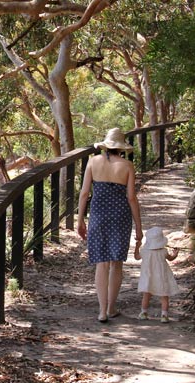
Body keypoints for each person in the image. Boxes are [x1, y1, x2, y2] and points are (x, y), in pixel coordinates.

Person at [77, 128, 143, 323]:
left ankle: (102, 310)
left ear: (105, 146)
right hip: (120, 216)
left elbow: (84, 193)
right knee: (116, 263)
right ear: (121, 149)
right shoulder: (128, 166)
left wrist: (80, 220)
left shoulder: (92, 162)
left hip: (98, 215)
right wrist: (139, 226)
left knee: (101, 263)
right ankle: (112, 307)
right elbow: (131, 197)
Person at [134, 226, 180, 323]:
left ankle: (143, 312)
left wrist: (137, 246)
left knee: (146, 295)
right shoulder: (163, 251)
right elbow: (171, 258)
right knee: (164, 296)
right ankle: (164, 315)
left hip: (148, 277)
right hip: (161, 277)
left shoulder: (144, 251)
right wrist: (175, 253)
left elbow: (136, 257)